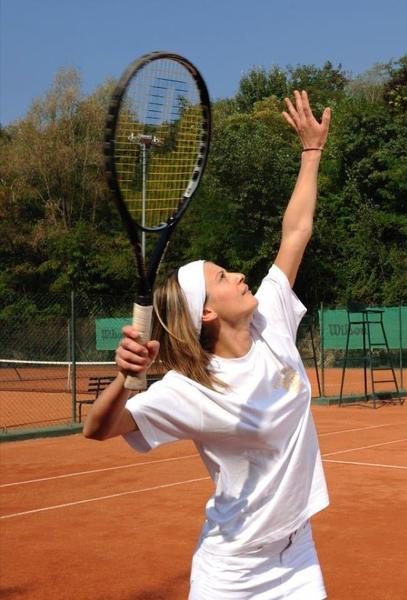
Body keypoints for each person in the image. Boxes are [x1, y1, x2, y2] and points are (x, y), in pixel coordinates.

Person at [83, 90, 332, 600]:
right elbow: (97, 429)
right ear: (207, 312)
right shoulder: (188, 390)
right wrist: (127, 380)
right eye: (223, 276)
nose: (241, 274)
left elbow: (297, 230)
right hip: (233, 573)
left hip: (298, 556)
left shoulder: (273, 320)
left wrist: (312, 153)